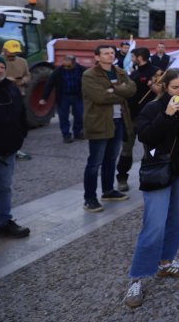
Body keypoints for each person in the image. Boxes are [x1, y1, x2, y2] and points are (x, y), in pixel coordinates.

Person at [123, 68, 179, 308]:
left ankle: (165, 263)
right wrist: (168, 117)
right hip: (157, 172)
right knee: (154, 225)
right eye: (175, 87)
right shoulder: (151, 108)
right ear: (164, 87)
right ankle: (136, 277)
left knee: (178, 221)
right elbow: (147, 136)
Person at [81, 45, 136, 212]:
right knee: (95, 162)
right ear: (97, 57)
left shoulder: (119, 71)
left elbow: (132, 89)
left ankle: (108, 190)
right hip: (99, 122)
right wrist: (121, 92)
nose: (110, 55)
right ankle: (89, 198)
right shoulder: (89, 75)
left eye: (112, 52)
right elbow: (100, 96)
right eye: (106, 53)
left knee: (111, 159)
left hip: (119, 121)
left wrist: (114, 89)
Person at [0, 54, 30, 238]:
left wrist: (20, 137)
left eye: (2, 67)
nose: (0, 70)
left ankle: (3, 223)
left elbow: (22, 114)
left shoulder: (11, 88)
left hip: (7, 151)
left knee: (3, 188)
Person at [117, 47, 160, 192]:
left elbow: (163, 91)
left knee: (151, 150)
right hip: (131, 118)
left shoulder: (156, 72)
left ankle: (149, 176)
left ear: (140, 57)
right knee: (126, 149)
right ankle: (122, 177)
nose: (132, 58)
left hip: (150, 119)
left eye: (133, 56)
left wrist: (152, 85)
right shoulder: (133, 73)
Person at [40, 55, 86, 143]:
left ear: (74, 63)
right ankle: (66, 135)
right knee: (63, 117)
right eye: (64, 65)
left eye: (68, 66)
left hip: (77, 96)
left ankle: (77, 132)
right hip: (63, 97)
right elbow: (49, 84)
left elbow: (89, 81)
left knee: (79, 115)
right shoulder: (58, 71)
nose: (66, 67)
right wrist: (44, 98)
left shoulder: (81, 70)